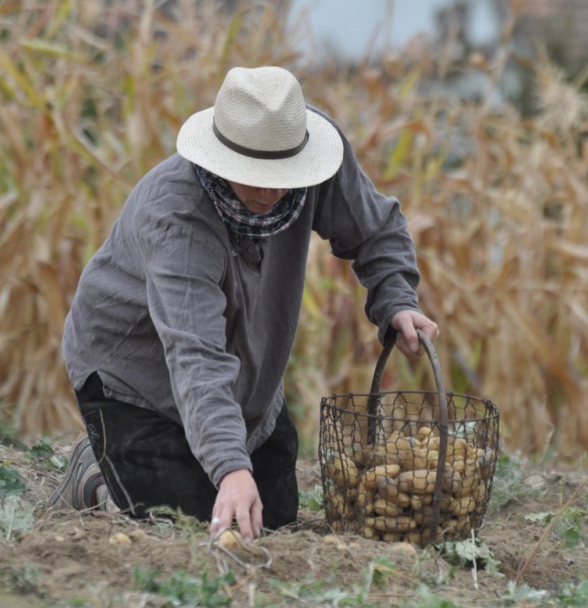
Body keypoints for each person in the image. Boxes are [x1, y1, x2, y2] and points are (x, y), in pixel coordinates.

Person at [49, 65, 438, 540]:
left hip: (244, 374)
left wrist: (396, 299)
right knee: (187, 528)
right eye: (254, 175)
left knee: (269, 519)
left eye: (283, 175)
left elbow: (375, 228)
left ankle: (202, 460)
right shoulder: (179, 221)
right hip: (136, 378)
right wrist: (232, 468)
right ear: (220, 158)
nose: (271, 191)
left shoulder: (308, 151)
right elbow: (195, 357)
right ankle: (96, 475)